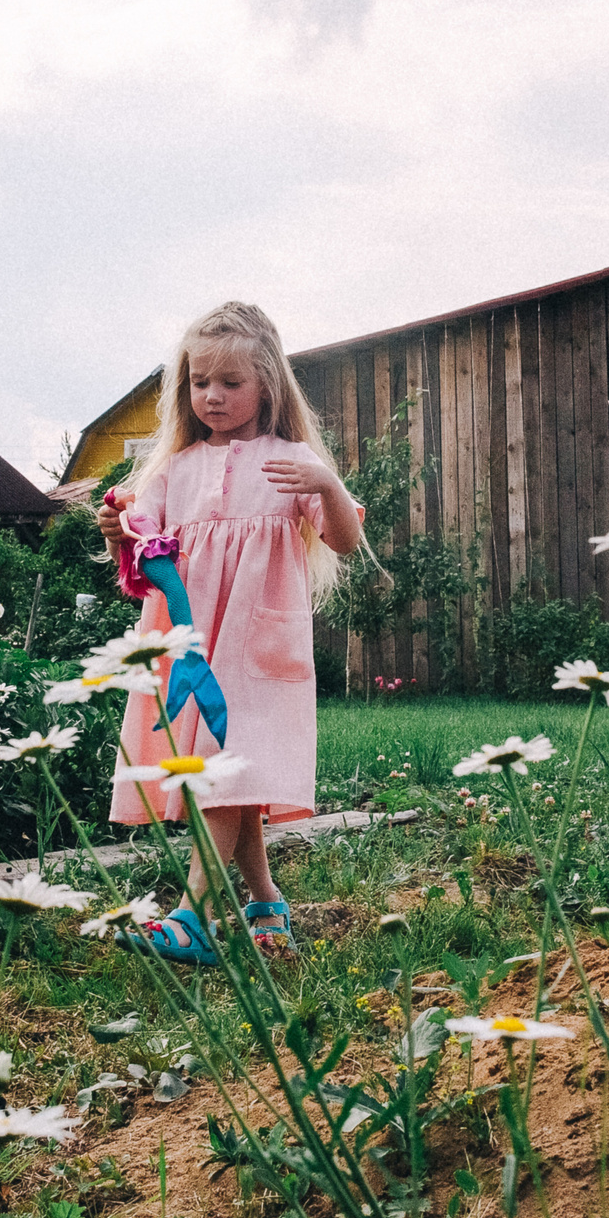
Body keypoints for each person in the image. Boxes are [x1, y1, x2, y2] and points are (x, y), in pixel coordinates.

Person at [96, 301, 364, 962]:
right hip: (190, 645)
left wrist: (327, 485)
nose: (212, 395)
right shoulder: (174, 469)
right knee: (230, 780)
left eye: (231, 382)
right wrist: (116, 535)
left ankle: (191, 916)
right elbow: (141, 553)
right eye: (199, 381)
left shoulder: (290, 461)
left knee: (222, 773)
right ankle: (266, 901)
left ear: (267, 385)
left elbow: (345, 539)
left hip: (259, 646)